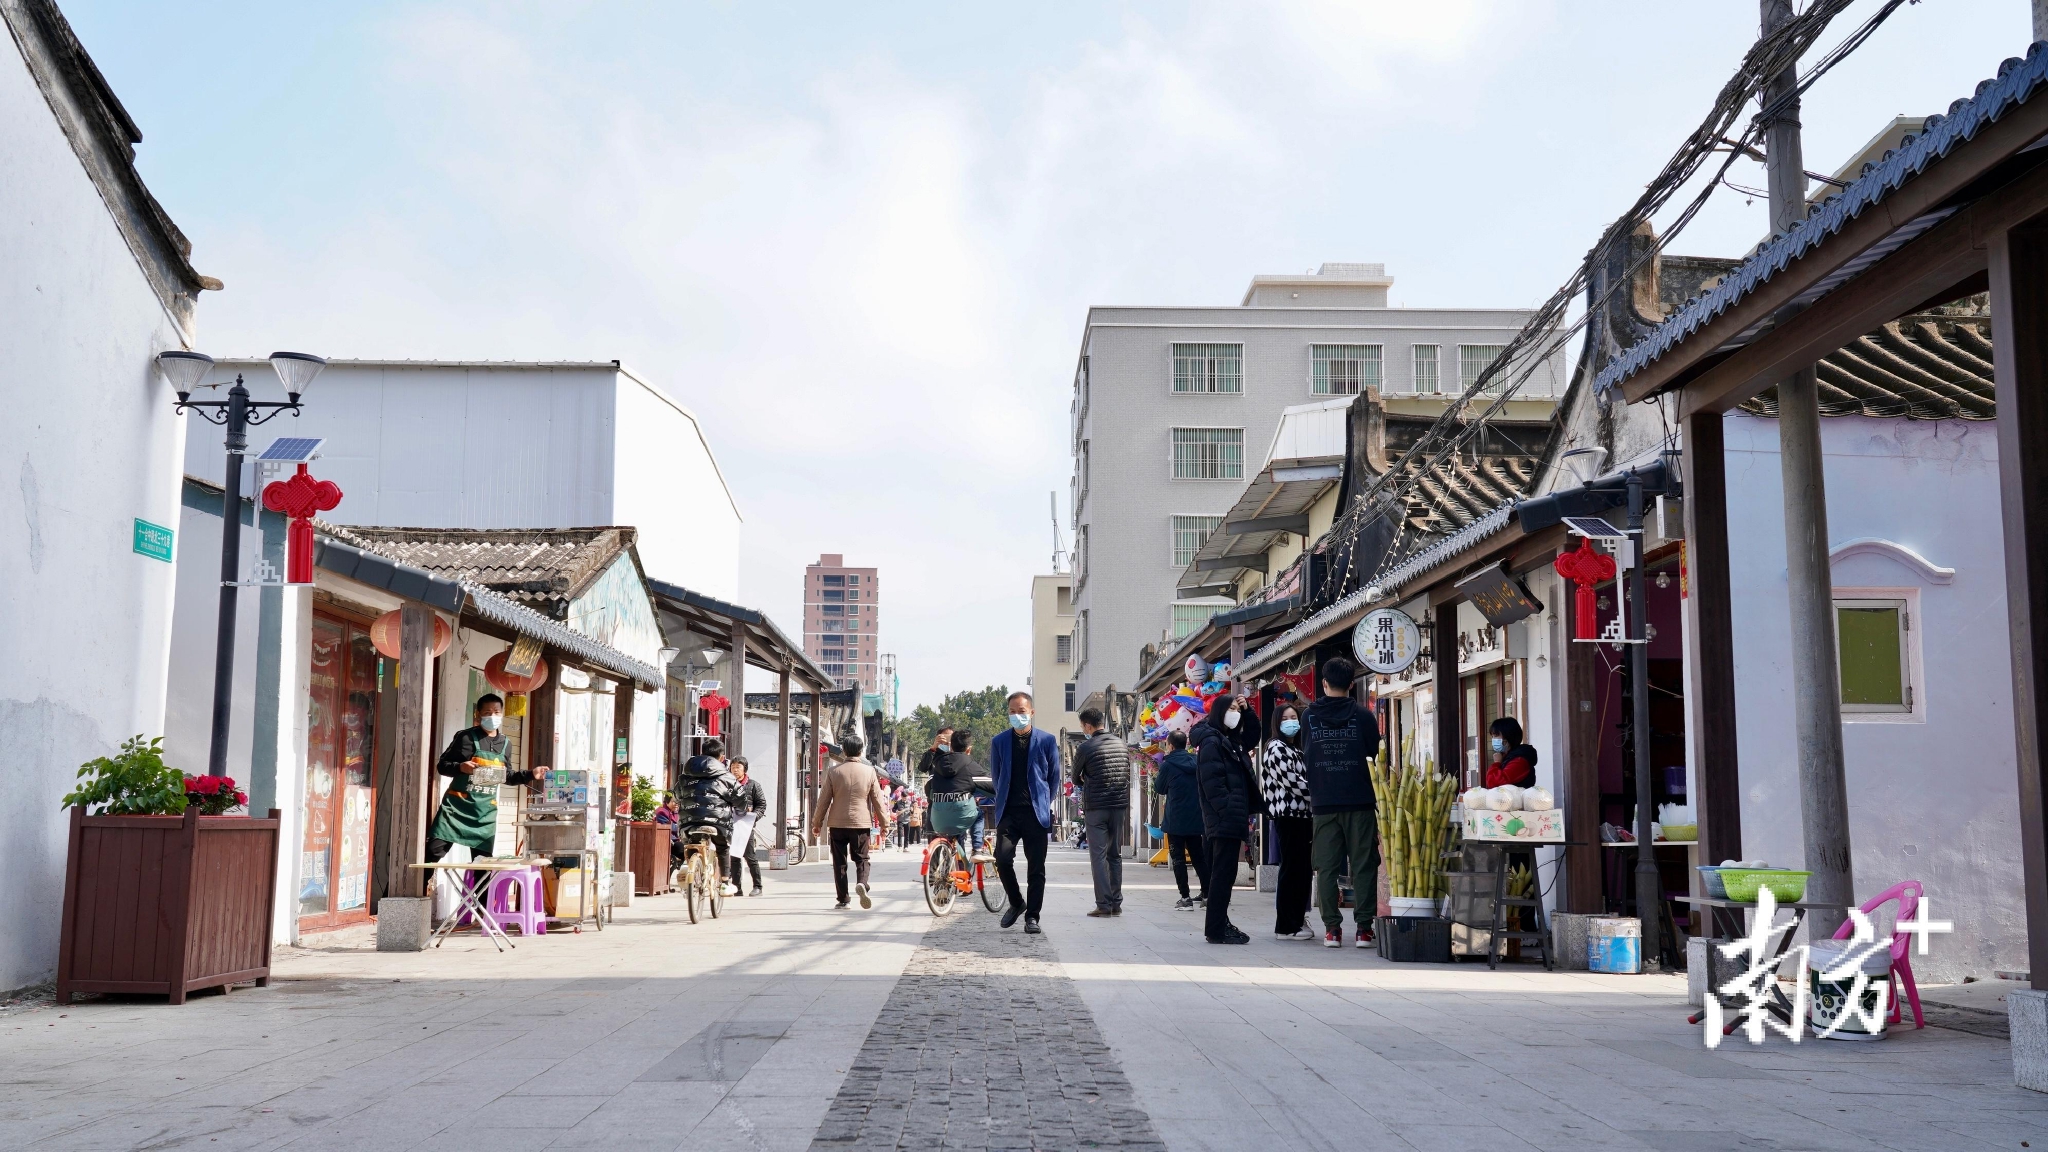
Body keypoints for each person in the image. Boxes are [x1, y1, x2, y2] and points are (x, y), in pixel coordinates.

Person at [1302, 657, 1382, 949]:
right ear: (1351, 684)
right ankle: (1363, 930)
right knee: (1364, 865)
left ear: (1324, 683)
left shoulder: (1308, 716)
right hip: (1360, 800)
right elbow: (1375, 756)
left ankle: (1332, 931)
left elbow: (1307, 753)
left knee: (1326, 868)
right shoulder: (1364, 716)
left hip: (1324, 801)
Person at [426, 694, 543, 886]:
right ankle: (405, 896)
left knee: (483, 866)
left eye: (496, 712)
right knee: (432, 853)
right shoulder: (465, 737)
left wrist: (531, 774)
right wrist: (460, 767)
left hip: (484, 814)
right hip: (456, 810)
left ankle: (479, 905)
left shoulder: (506, 744)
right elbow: (442, 766)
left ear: (502, 713)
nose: (492, 716)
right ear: (478, 714)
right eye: (487, 712)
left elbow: (507, 776)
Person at [987, 691, 1062, 934]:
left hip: (1035, 814)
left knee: (1036, 868)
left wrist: (1044, 801)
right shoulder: (999, 741)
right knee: (1002, 859)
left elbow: (1054, 777)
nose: (1017, 715)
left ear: (1031, 712)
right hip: (1008, 812)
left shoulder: (1047, 740)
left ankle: (1032, 917)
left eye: (1021, 711)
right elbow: (997, 777)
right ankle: (1017, 902)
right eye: (1012, 711)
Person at [1193, 692, 1261, 944]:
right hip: (1224, 819)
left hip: (1230, 817)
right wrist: (1228, 810)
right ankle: (1216, 928)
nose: (1235, 713)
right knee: (1222, 874)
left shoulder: (1228, 740)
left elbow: (1252, 737)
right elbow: (1212, 784)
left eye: (1237, 710)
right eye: (1230, 709)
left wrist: (1248, 710)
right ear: (1219, 712)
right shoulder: (1212, 742)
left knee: (1225, 874)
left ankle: (1219, 923)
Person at [812, 733, 890, 909]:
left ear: (844, 751)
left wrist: (817, 823)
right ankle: (862, 883)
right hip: (860, 823)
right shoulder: (869, 772)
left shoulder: (834, 772)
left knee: (839, 862)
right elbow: (878, 801)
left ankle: (843, 899)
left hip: (837, 824)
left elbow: (823, 800)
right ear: (861, 751)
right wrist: (885, 824)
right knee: (862, 858)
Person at [1071, 706, 1132, 918]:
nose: (1083, 730)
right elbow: (1125, 773)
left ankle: (1103, 904)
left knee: (1098, 855)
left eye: (1082, 726)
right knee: (1114, 854)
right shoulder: (1121, 744)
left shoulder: (1085, 747)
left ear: (1088, 726)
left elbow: (1075, 777)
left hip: (1096, 807)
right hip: (1118, 805)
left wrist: (1087, 781)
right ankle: (1116, 903)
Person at [1261, 702, 1316, 940]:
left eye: (1294, 717)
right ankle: (1286, 925)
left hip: (1302, 816)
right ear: (1276, 722)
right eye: (1285, 718)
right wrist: (1320, 793)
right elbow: (1292, 782)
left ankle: (1296, 919)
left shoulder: (1296, 748)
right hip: (1289, 816)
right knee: (1292, 869)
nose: (1290, 722)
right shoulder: (1276, 748)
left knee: (1301, 869)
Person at [678, 738, 741, 893]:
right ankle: (725, 883)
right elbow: (740, 796)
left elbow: (677, 794)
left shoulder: (687, 774)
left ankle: (691, 871)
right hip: (717, 821)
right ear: (721, 757)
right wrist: (742, 807)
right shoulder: (726, 776)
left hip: (690, 819)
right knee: (722, 847)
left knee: (692, 842)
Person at [1154, 729, 1207, 909]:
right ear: (1186, 744)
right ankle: (1207, 894)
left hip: (1175, 819)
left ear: (1170, 745)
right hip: (1196, 817)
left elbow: (1159, 788)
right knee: (1198, 857)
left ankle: (1185, 898)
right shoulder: (1196, 761)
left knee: (1178, 859)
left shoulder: (1167, 765)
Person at [923, 730, 991, 852]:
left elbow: (928, 790)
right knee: (979, 815)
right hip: (962, 815)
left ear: (951, 746)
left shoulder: (936, 764)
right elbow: (991, 787)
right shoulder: (970, 765)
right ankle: (977, 848)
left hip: (937, 819)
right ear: (968, 749)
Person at [729, 757, 767, 896]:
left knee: (750, 857)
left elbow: (761, 805)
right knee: (734, 857)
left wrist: (753, 817)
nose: (735, 770)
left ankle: (758, 886)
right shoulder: (727, 784)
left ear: (744, 769)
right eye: (733, 767)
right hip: (731, 825)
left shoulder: (753, 785)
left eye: (738, 767)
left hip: (746, 826)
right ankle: (736, 888)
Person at [1484, 717, 1539, 788]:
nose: (1493, 739)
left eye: (1496, 735)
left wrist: (1496, 763)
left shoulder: (1520, 760)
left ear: (1508, 736)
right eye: (1492, 736)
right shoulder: (1507, 756)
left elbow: (1494, 783)